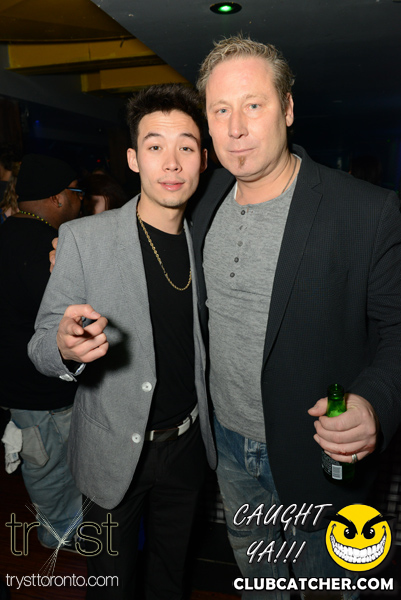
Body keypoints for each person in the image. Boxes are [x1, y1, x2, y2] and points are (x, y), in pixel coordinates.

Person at [189, 35, 401, 599]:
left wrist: (374, 402)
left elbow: (397, 330)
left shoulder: (367, 210)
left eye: (253, 105)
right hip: (229, 448)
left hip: (319, 454)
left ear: (286, 109)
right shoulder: (202, 197)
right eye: (220, 110)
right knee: (261, 585)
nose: (236, 128)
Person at [28, 84, 215, 600]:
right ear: (133, 159)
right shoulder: (84, 238)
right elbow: (40, 344)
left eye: (186, 146)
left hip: (188, 446)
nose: (171, 162)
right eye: (155, 146)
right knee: (111, 587)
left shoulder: (210, 240)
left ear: (203, 159)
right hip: (111, 450)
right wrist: (64, 347)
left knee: (170, 580)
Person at [0, 153, 83, 549]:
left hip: (17, 383)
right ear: (57, 198)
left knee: (46, 464)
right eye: (77, 192)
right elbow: (65, 317)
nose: (81, 200)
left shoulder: (7, 233)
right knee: (51, 467)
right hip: (41, 390)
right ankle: (60, 540)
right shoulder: (42, 245)